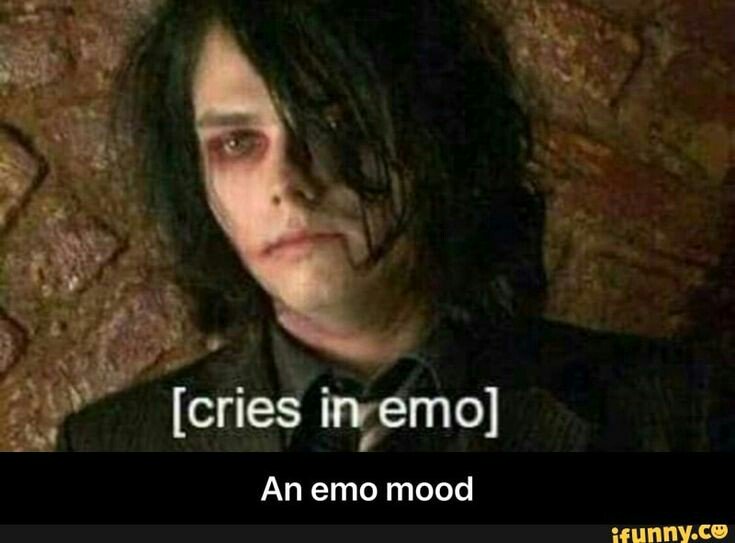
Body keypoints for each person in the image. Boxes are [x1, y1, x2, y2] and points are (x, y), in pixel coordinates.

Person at [55, 0, 720, 452]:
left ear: (439, 130)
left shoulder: (668, 411)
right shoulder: (113, 445)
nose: (287, 181)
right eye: (236, 143)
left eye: (337, 121)